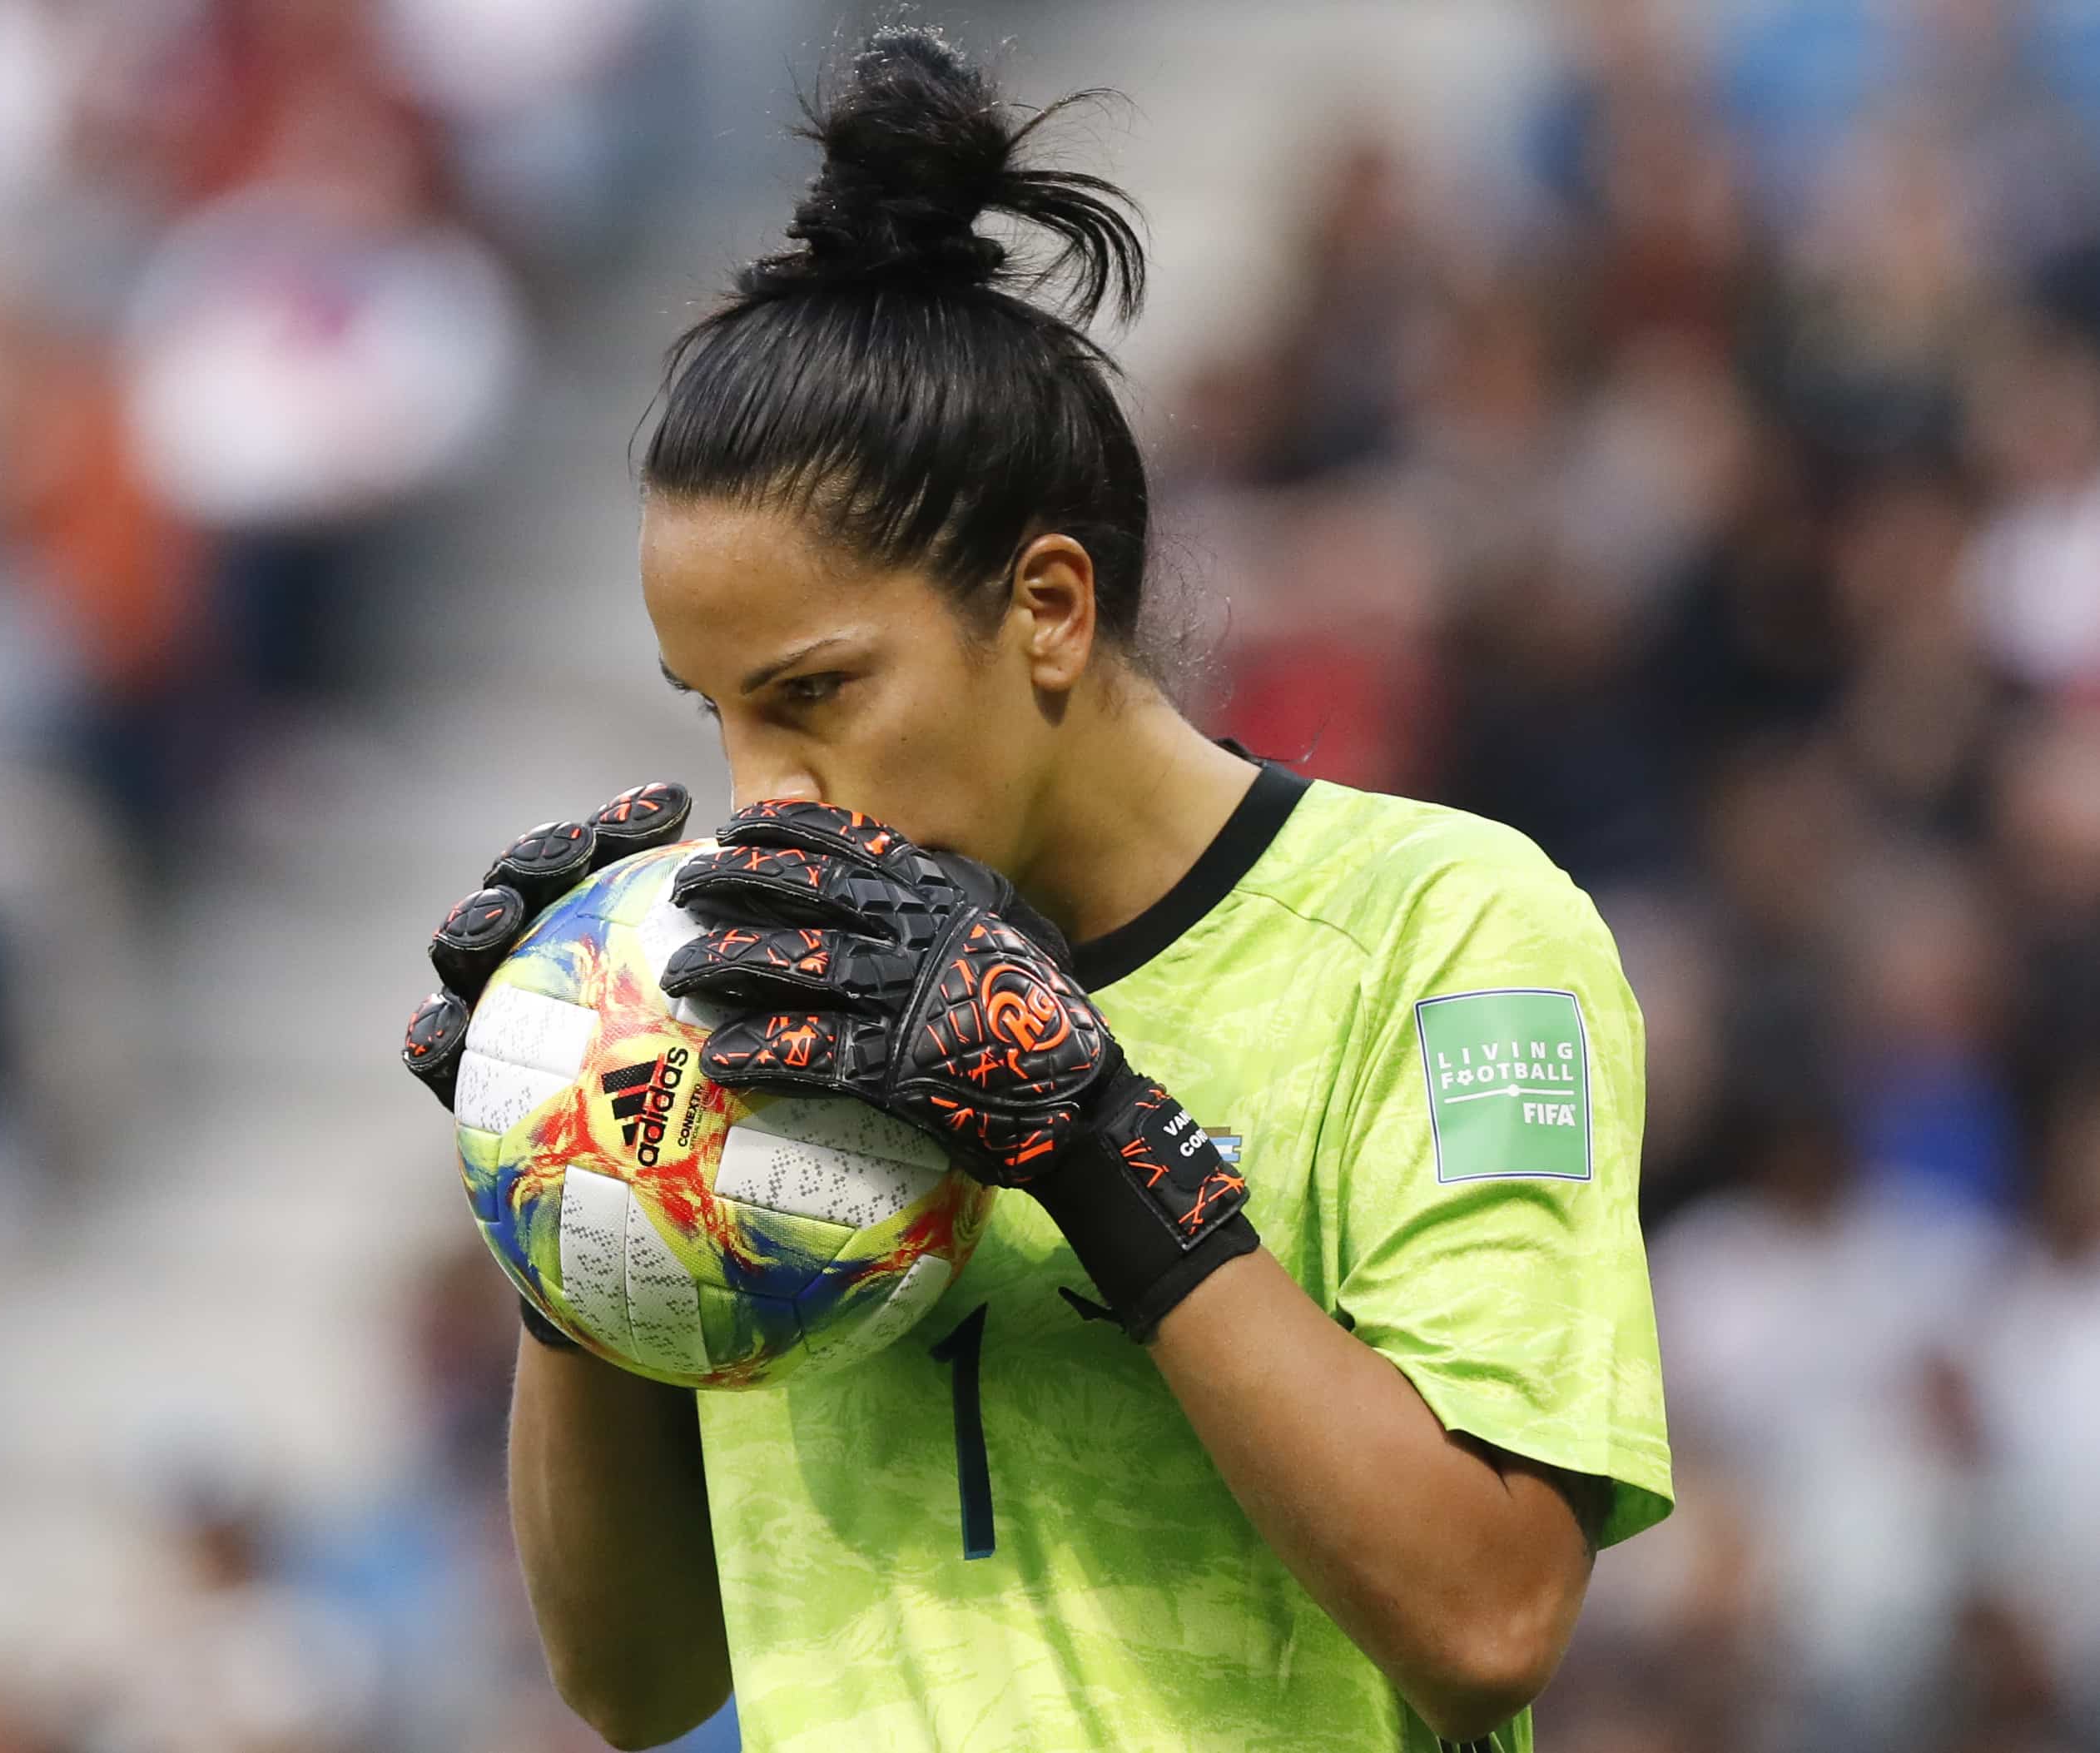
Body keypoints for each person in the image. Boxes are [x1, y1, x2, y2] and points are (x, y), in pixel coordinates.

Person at [401, 29, 1671, 1753]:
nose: (763, 792)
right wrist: (568, 1198)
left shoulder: (1449, 936)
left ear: (1052, 608)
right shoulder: (748, 1001)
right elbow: (634, 1683)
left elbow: (1492, 1613)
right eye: (717, 712)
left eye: (818, 692)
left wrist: (1090, 1135)